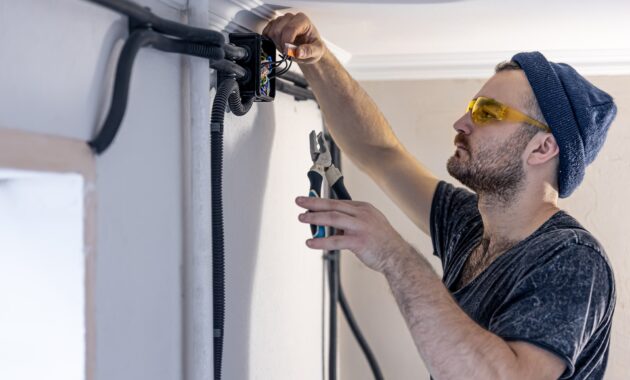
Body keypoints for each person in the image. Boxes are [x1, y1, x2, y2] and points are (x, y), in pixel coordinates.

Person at [263, 13, 617, 380]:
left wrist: (393, 254)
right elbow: (380, 153)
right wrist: (318, 60)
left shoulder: (572, 257)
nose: (461, 122)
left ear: (542, 148)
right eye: (471, 108)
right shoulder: (469, 226)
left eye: (487, 112)